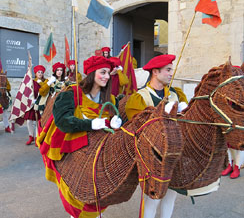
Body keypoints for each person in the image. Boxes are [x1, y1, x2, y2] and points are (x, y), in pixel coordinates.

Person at [37, 56, 122, 218]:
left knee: (99, 193)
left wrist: (116, 123)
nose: (106, 76)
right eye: (102, 72)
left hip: (99, 155)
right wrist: (90, 124)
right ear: (91, 74)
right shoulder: (71, 94)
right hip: (73, 151)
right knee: (76, 194)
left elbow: (112, 125)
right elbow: (63, 121)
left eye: (107, 73)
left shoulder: (110, 99)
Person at [125, 54, 188, 218]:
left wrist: (185, 112)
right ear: (155, 72)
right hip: (153, 159)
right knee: (152, 201)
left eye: (171, 70)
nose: (171, 74)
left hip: (174, 155)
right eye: (168, 70)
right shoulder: (140, 97)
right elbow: (138, 128)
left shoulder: (176, 94)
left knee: (171, 196)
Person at [24, 65, 50, 145]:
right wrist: (31, 99)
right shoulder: (31, 81)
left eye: (41, 72)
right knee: (29, 121)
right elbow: (27, 91)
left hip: (40, 104)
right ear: (35, 73)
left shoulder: (45, 82)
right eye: (38, 72)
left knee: (37, 122)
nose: (40, 74)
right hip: (31, 103)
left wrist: (42, 84)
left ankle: (37, 138)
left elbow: (45, 92)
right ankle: (31, 136)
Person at [0, 64, 12, 135]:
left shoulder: (3, 78)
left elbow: (9, 87)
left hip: (3, 98)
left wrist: (5, 86)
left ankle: (7, 127)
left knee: (5, 114)